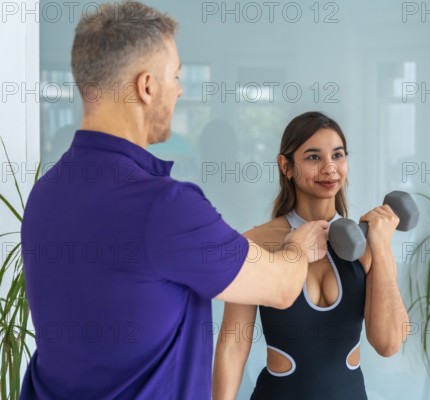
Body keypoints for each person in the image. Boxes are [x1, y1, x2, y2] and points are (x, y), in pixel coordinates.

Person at [20, 2, 328, 399]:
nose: (180, 89)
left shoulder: (46, 194)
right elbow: (282, 287)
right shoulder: (165, 208)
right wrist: (297, 248)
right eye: (176, 76)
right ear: (147, 86)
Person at [213, 111, 410, 400]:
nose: (330, 168)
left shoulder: (368, 244)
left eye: (338, 155)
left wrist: (381, 248)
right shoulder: (256, 243)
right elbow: (233, 345)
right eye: (313, 157)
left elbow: (389, 343)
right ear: (287, 166)